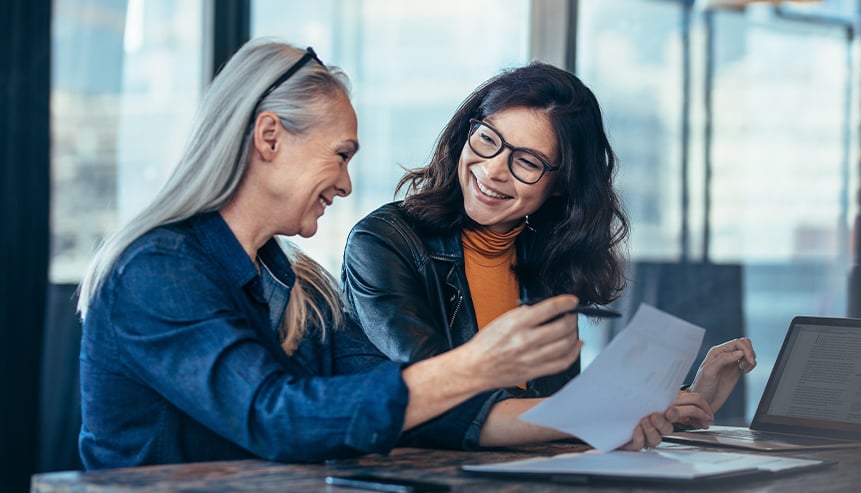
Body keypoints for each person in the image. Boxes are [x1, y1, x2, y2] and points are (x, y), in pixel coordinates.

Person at [76, 41, 672, 470]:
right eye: (340, 154)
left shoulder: (291, 279)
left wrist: (609, 418)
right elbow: (274, 417)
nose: (346, 184)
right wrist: (473, 366)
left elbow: (411, 405)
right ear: (268, 138)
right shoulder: (158, 269)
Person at [341, 62, 756, 447]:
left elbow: (555, 410)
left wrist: (681, 402)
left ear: (560, 185)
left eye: (528, 161)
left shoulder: (548, 259)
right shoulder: (384, 241)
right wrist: (606, 415)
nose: (493, 169)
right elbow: (440, 399)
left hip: (522, 485)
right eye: (487, 139)